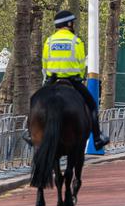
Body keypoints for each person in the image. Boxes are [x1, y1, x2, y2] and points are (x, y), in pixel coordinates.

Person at [24, 10, 109, 150]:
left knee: (34, 101)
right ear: (69, 24)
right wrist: (79, 76)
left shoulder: (49, 41)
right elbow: (81, 63)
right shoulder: (76, 41)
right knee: (92, 105)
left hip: (52, 79)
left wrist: (49, 77)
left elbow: (44, 63)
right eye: (72, 22)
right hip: (73, 80)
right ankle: (97, 137)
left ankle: (30, 133)